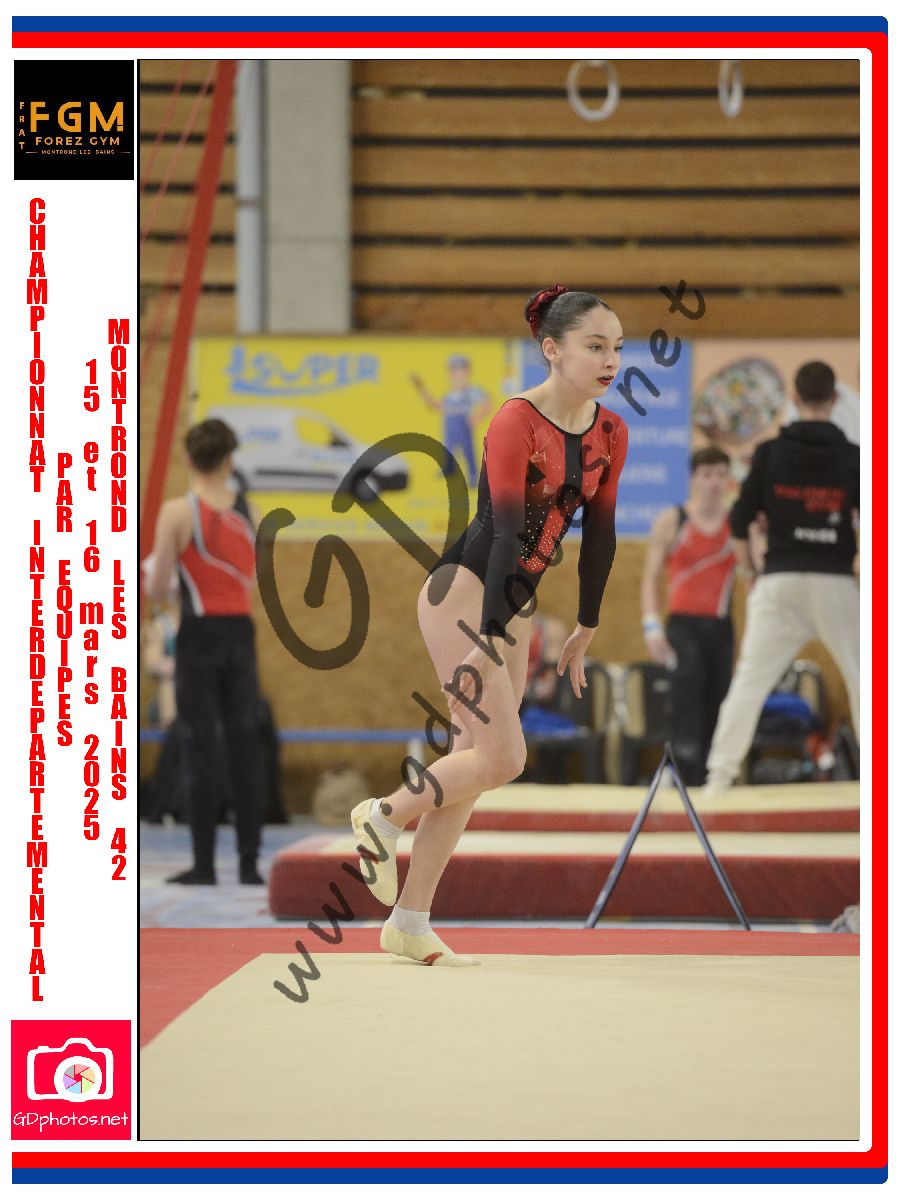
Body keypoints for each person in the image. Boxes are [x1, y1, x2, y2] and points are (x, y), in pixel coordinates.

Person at [351, 285, 628, 964]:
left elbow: (601, 535)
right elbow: (505, 534)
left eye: (617, 348)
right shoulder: (514, 421)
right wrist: (488, 637)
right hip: (464, 592)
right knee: (504, 757)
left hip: (513, 604)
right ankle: (382, 815)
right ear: (552, 349)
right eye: (595, 346)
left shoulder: (610, 433)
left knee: (471, 762)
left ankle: (410, 920)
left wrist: (587, 623)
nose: (610, 361)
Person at [704, 361, 860, 797]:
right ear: (834, 400)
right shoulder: (853, 456)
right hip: (835, 580)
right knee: (865, 680)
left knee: (750, 681)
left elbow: (739, 520)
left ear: (793, 399)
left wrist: (750, 572)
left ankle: (719, 778)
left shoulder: (769, 454)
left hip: (780, 579)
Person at [144, 418, 267, 885]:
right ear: (229, 461)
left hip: (198, 634)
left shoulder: (178, 512)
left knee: (200, 747)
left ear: (189, 460)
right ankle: (250, 865)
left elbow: (158, 587)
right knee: (244, 747)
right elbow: (249, 577)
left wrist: (160, 578)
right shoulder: (250, 511)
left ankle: (203, 865)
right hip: (239, 633)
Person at [640, 447, 737, 785]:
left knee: (719, 699)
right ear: (694, 479)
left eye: (720, 475)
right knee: (687, 691)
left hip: (721, 627)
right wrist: (652, 627)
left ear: (728, 480)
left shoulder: (736, 525)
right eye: (707, 475)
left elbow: (755, 573)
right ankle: (681, 771)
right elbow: (650, 578)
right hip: (682, 626)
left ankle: (712, 777)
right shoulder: (672, 520)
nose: (714, 482)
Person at [411, 354, 493, 487]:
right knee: (448, 447)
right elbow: (436, 406)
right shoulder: (449, 395)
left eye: (460, 371)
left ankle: (473, 476)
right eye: (454, 371)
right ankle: (449, 469)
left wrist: (477, 417)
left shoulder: (471, 391)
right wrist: (422, 389)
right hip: (450, 425)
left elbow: (487, 403)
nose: (457, 375)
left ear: (467, 373)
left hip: (463, 425)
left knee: (468, 451)